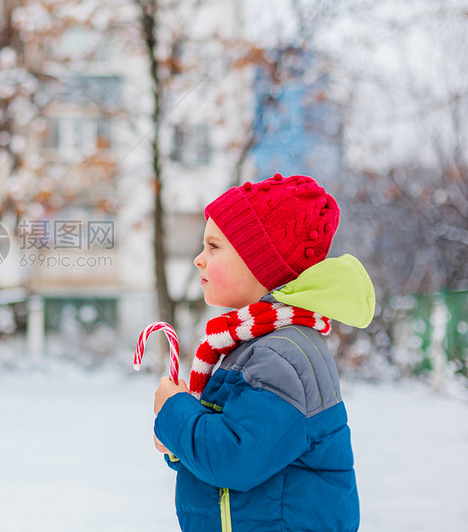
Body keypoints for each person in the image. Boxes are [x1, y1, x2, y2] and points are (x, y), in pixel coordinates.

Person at [152, 174, 374, 532]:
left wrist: (174, 410)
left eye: (213, 246)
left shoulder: (281, 355)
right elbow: (230, 452)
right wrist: (180, 440)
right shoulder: (255, 344)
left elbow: (237, 458)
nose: (198, 259)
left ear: (259, 263)